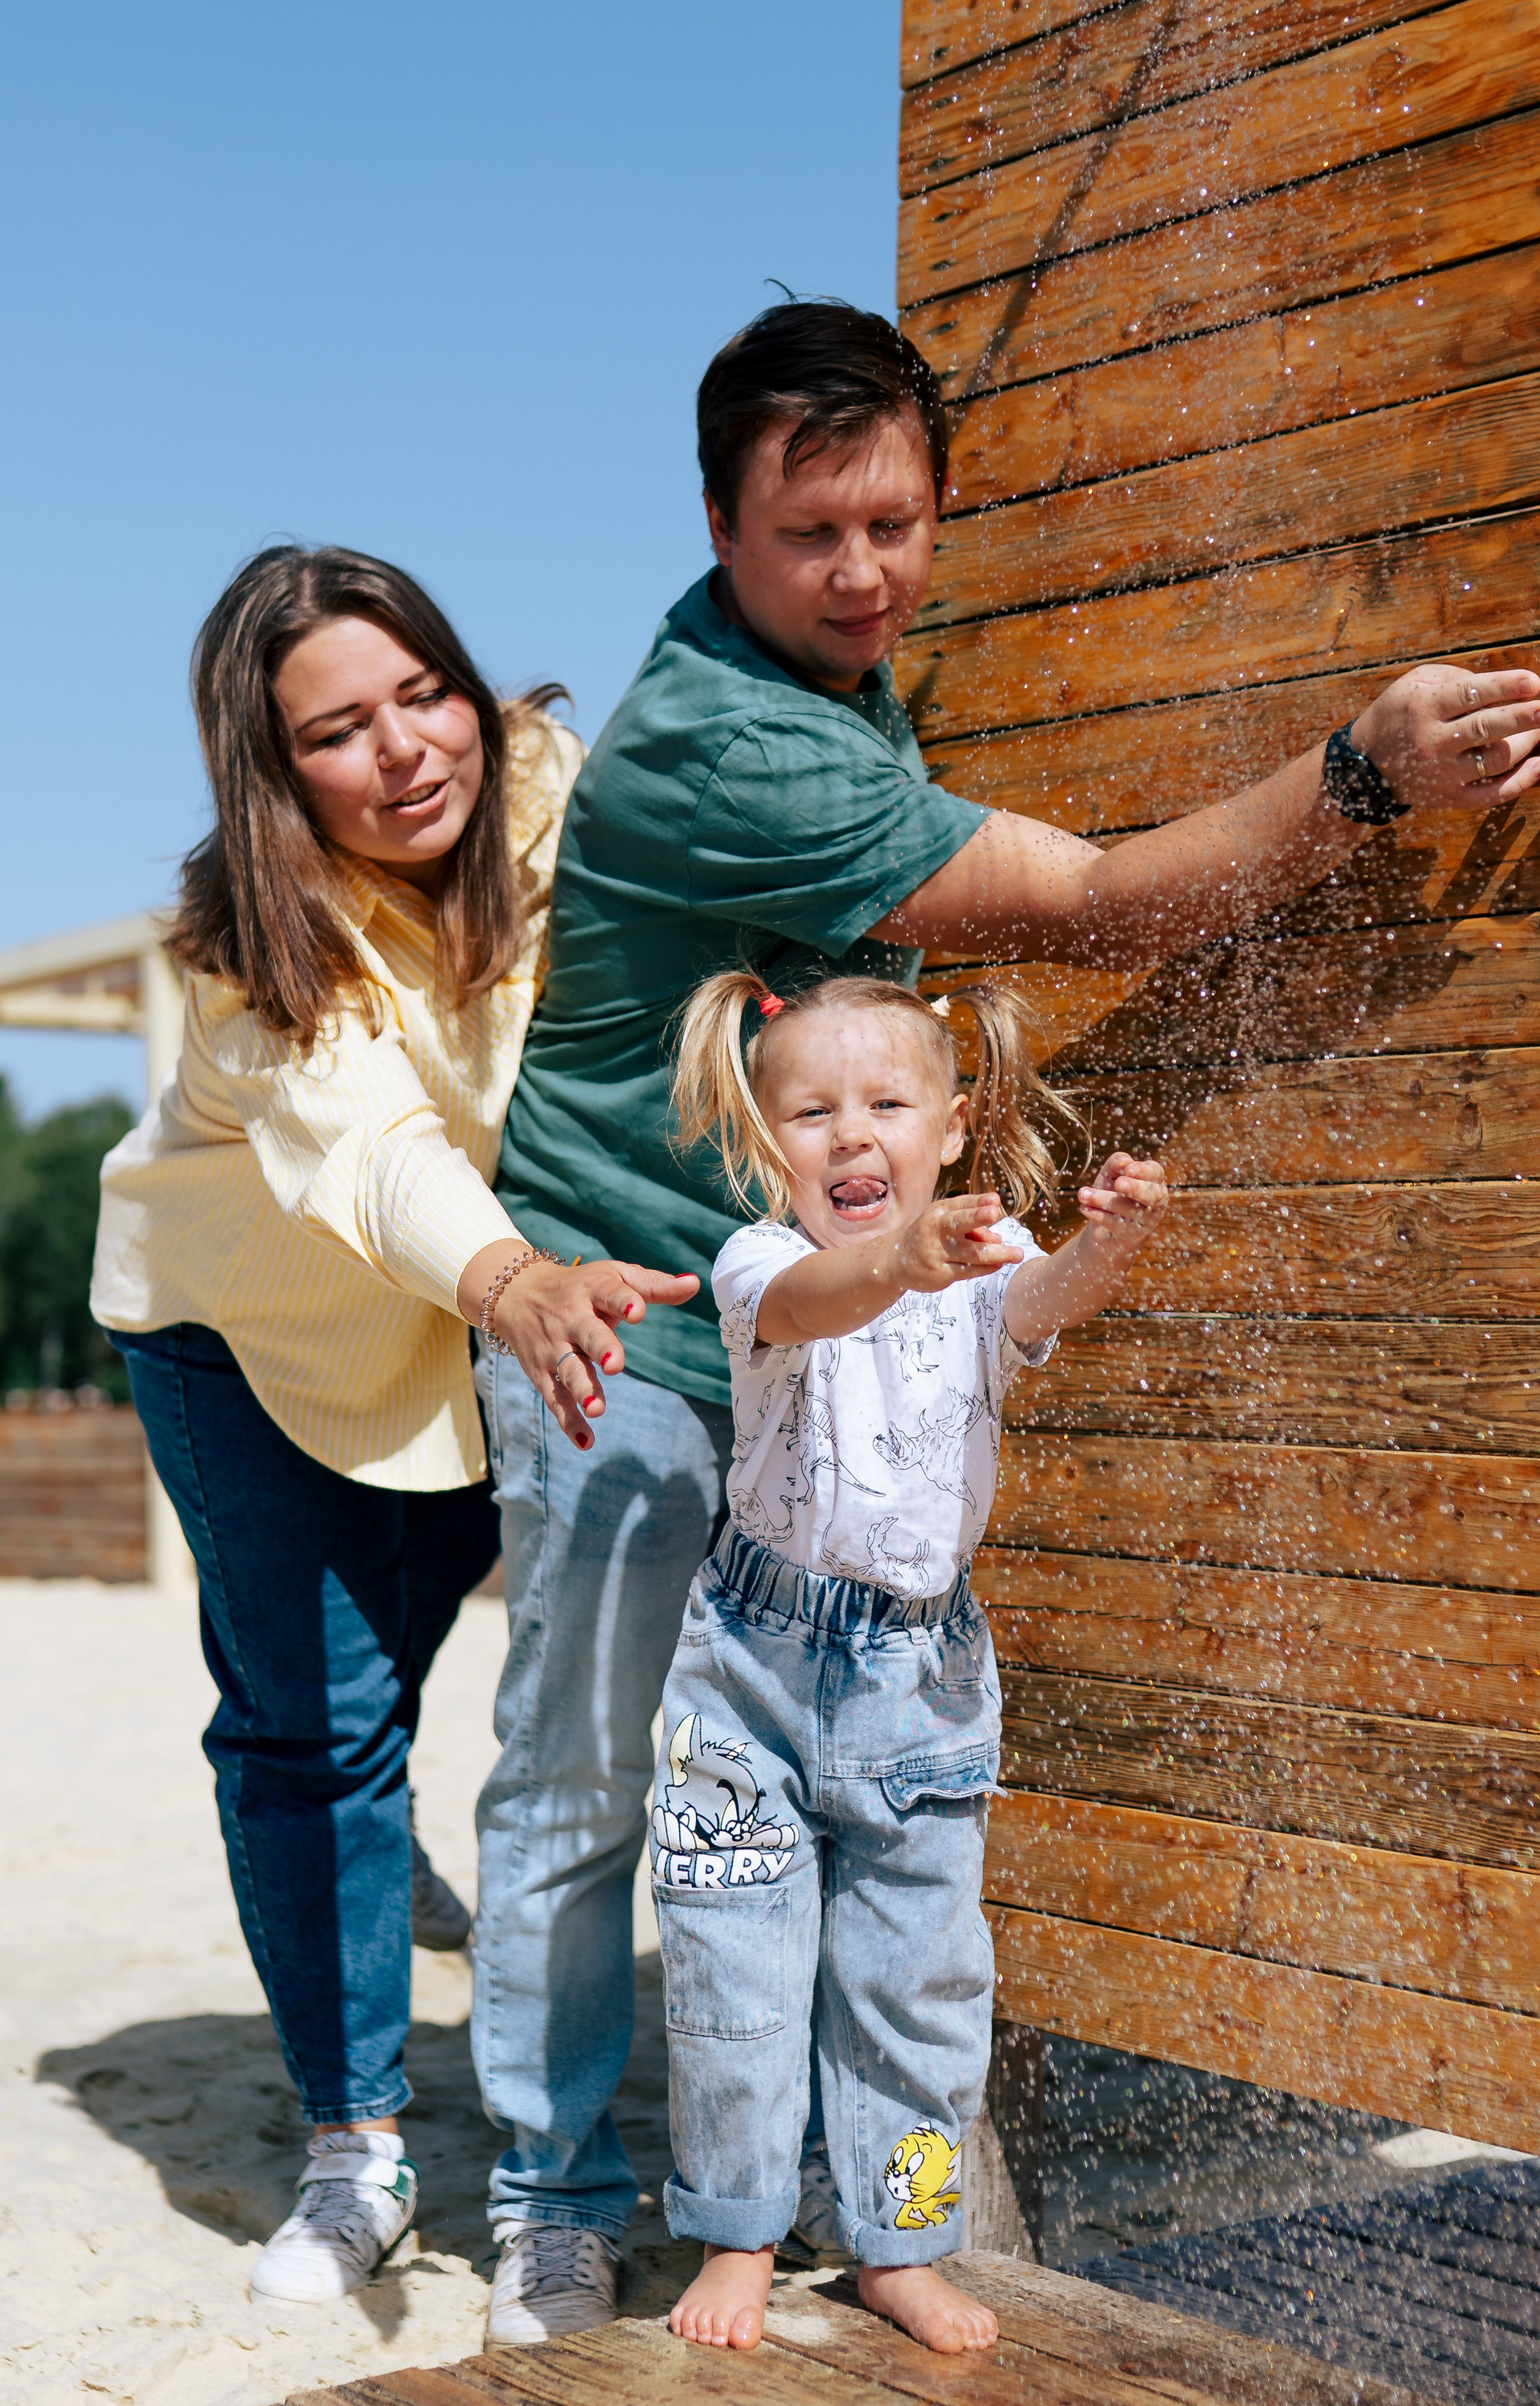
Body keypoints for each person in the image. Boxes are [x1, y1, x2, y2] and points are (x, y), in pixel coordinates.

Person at [471, 299, 1540, 2345]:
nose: (864, 571)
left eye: (895, 522)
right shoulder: (739, 739)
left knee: (797, 1795)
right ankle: (546, 2201)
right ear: (721, 526)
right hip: (637, 1326)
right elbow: (1091, 907)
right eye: (812, 534)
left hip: (822, 1340)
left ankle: (827, 2199)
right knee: (591, 1782)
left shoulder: (836, 676)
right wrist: (1360, 772)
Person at [90, 544, 696, 2307]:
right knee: (316, 1727)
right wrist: (507, 1279)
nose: (409, 751)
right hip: (259, 1337)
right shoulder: (239, 949)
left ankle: (386, 1868)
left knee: (427, 1678)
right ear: (276, 772)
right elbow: (371, 1151)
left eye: (423, 691)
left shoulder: (550, 796)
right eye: (341, 732)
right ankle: (355, 2150)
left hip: (487, 1323)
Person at [655, 967, 1165, 2353]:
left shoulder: (985, 1274)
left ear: (951, 1128)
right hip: (749, 1679)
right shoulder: (761, 1265)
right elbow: (827, 1299)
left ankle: (900, 2245)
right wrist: (901, 1258)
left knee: (913, 1991)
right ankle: (740, 2234)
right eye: (810, 1113)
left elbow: (1050, 1300)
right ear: (768, 1147)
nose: (849, 1136)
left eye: (887, 1103)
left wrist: (1108, 1240)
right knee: (734, 1981)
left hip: (918, 1682)